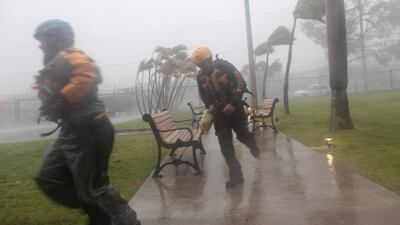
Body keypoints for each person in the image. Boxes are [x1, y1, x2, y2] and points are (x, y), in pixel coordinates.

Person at [33, 19, 141, 225]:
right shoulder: (53, 64)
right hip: (70, 131)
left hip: (91, 128)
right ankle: (99, 214)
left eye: (44, 40)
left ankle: (127, 220)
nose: (40, 45)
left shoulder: (71, 55)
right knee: (47, 176)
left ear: (57, 39)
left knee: (94, 187)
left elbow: (88, 74)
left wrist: (62, 98)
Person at [191, 46, 260, 189]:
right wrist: (209, 104)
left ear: (210, 58)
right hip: (219, 115)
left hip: (236, 110)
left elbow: (241, 83)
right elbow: (203, 94)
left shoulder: (224, 66)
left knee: (242, 136)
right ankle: (236, 176)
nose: (202, 67)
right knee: (225, 146)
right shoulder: (200, 77)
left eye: (204, 63)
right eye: (199, 65)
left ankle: (251, 141)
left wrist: (233, 103)